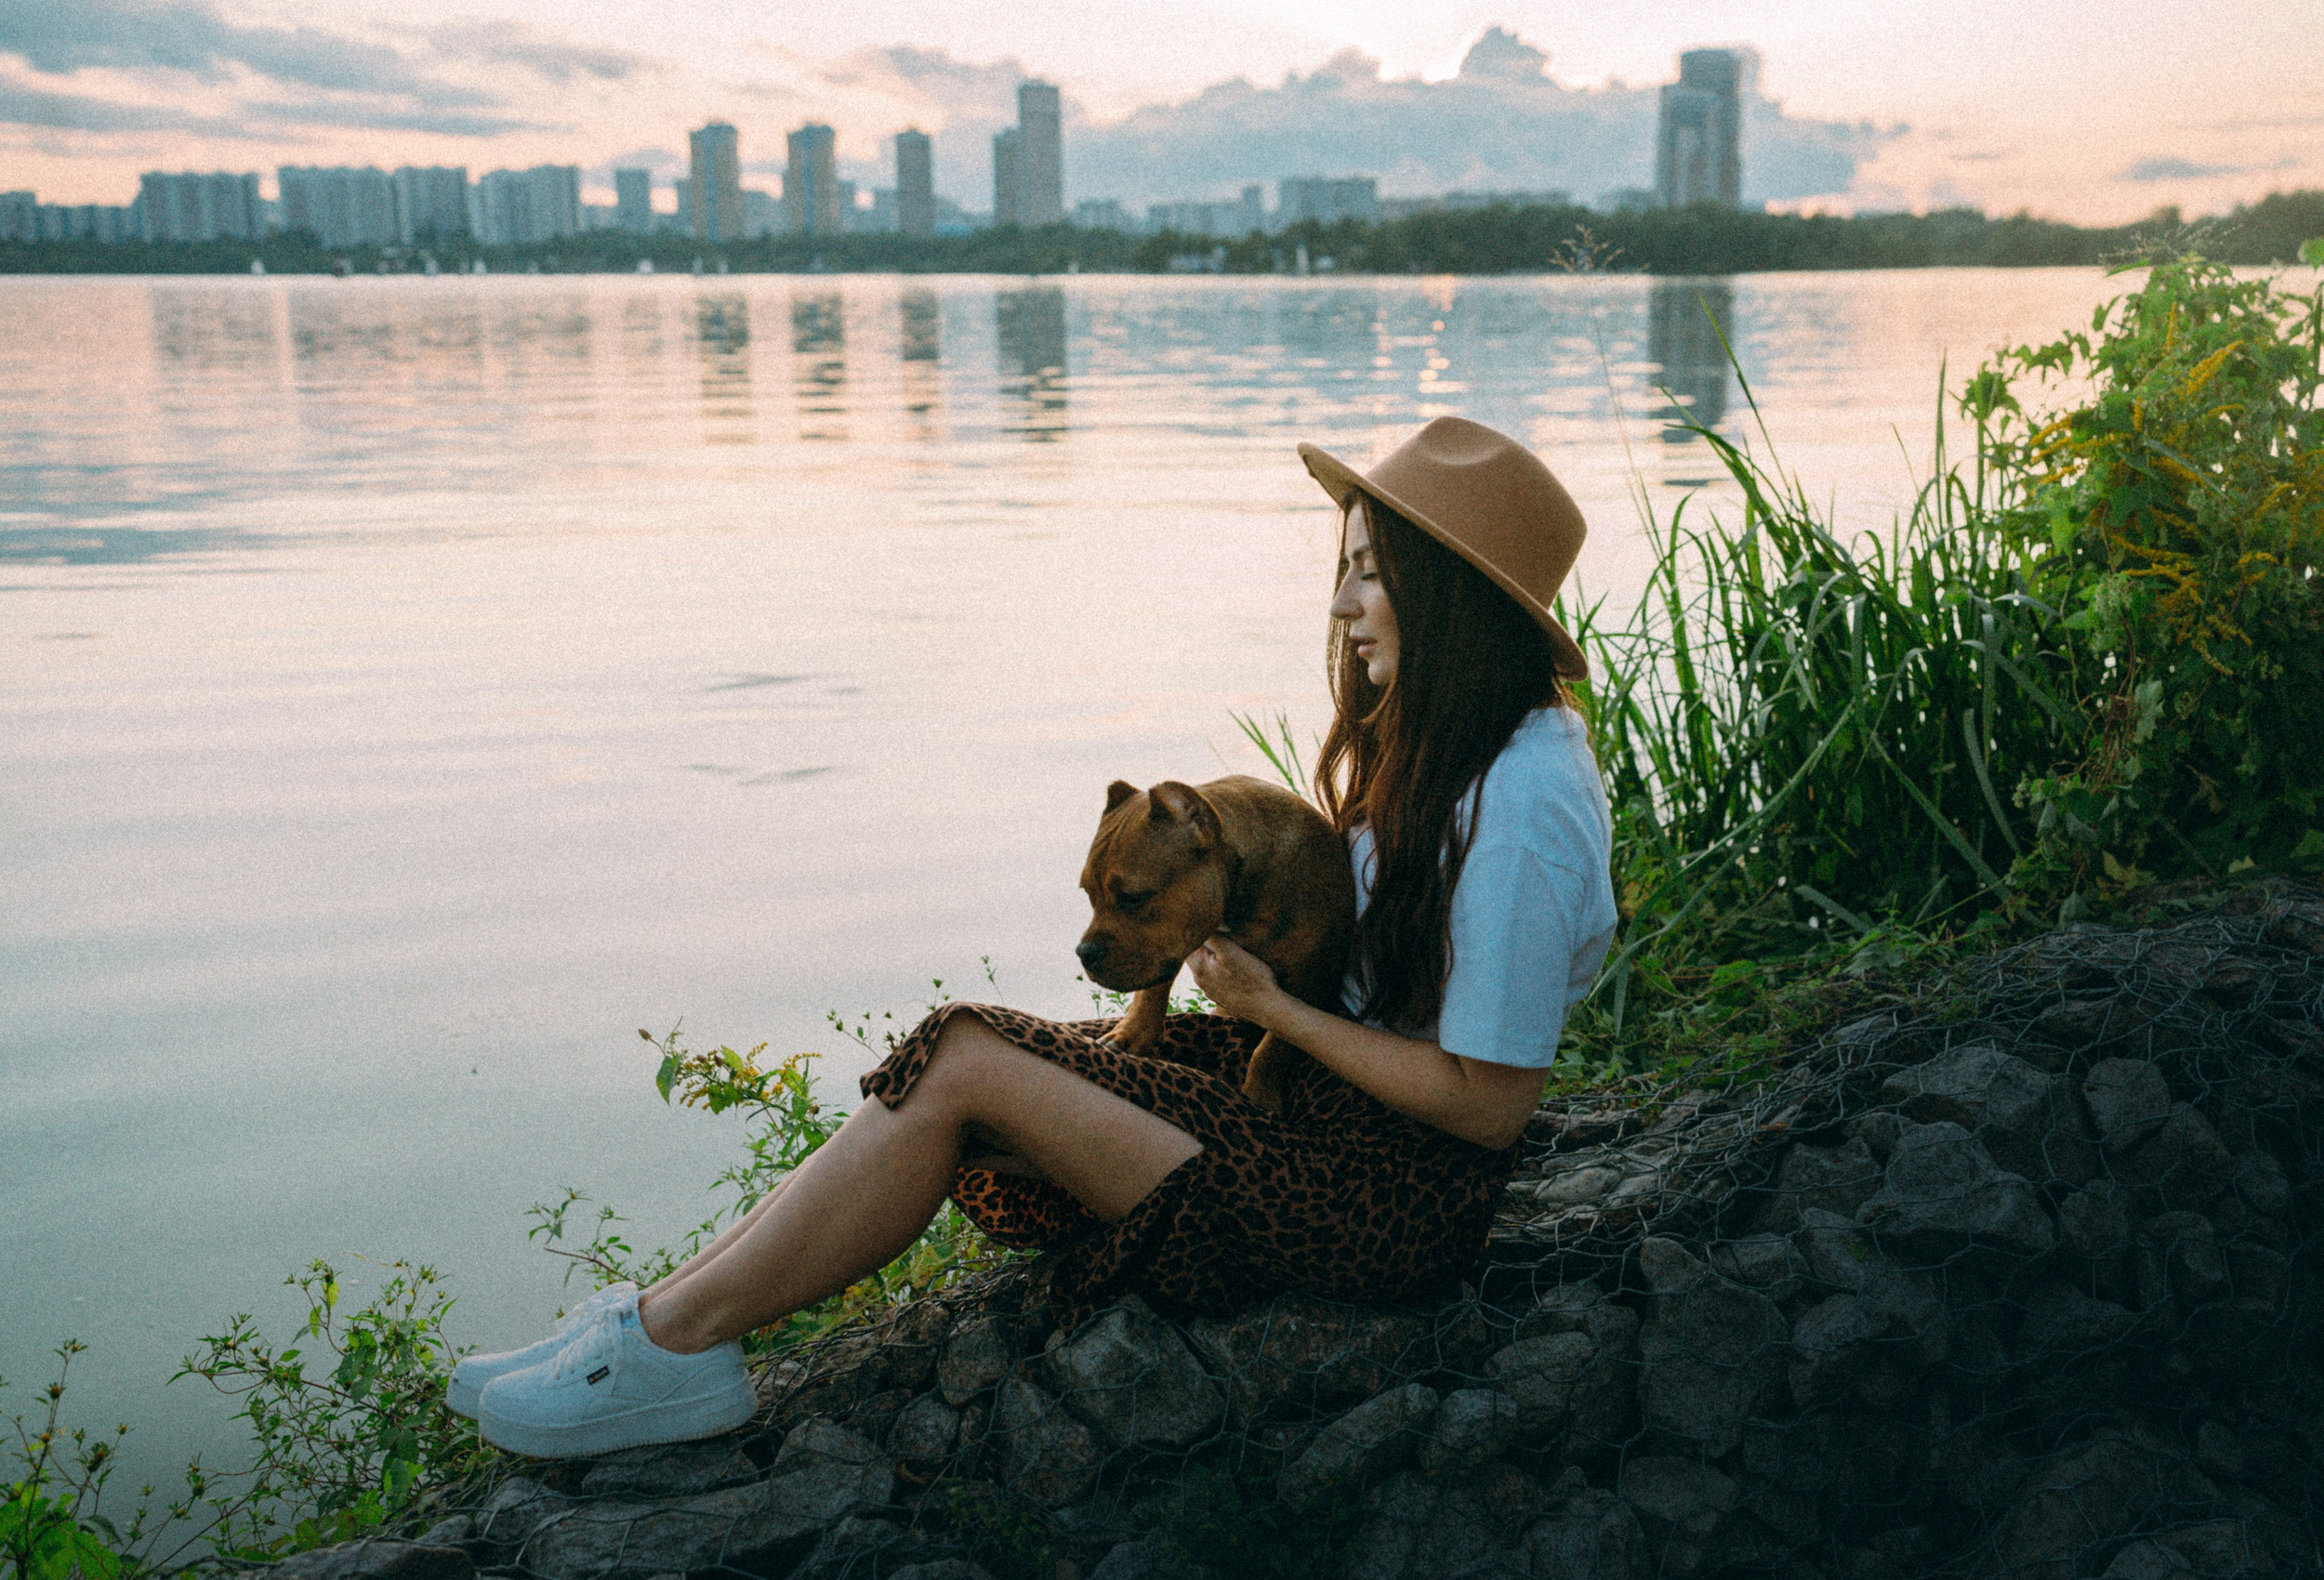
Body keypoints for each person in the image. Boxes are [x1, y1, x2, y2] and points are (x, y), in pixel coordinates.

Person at [448, 415, 1618, 1459]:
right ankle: (650, 1327)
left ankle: (669, 1350)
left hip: (1377, 1204)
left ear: (1449, 593)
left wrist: (1274, 1012)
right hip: (1324, 1129)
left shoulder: (1522, 803)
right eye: (1343, 570)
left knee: (966, 1053)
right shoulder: (1456, 756)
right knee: (967, 1049)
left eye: (1370, 573)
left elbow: (1486, 1104)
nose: (1340, 604)